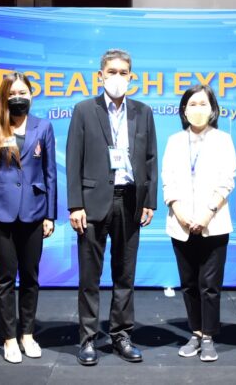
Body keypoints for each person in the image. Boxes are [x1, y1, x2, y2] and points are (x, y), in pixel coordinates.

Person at [66, 49, 158, 366]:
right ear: (100, 76)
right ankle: (88, 339)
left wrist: (149, 201)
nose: (118, 77)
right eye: (112, 72)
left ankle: (121, 336)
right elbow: (73, 159)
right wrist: (75, 204)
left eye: (123, 72)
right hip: (92, 203)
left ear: (131, 77)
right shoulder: (84, 110)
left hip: (130, 201)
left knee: (125, 275)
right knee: (90, 277)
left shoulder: (143, 112)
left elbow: (150, 159)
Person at [0, 72, 57, 363]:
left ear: (31, 95)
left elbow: (49, 172)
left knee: (31, 277)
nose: (18, 98)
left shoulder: (43, 126)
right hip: (0, 213)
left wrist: (50, 215)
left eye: (23, 93)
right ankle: (9, 338)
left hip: (34, 212)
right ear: (4, 97)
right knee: (5, 277)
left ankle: (28, 334)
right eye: (12, 94)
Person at [161, 84, 236, 362]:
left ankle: (208, 337)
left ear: (213, 109)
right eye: (192, 104)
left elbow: (227, 179)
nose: (197, 109)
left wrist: (207, 212)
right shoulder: (174, 141)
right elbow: (167, 179)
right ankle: (195, 332)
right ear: (183, 110)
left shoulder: (223, 140)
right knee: (189, 283)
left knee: (210, 284)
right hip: (181, 224)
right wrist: (178, 210)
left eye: (203, 104)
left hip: (213, 222)